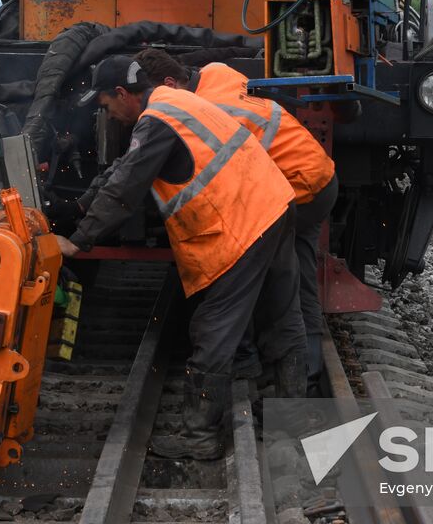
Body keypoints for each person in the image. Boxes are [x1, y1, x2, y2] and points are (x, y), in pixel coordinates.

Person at [57, 55, 307, 460]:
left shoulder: (157, 119)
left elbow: (126, 185)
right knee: (280, 317)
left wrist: (78, 241)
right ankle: (292, 422)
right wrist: (82, 204)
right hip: (274, 204)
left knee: (214, 326)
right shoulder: (175, 103)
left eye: (106, 106)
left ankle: (199, 437)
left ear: (122, 94)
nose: (111, 116)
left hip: (242, 221)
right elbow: (126, 166)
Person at [132, 48, 337, 393]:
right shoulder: (216, 73)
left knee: (258, 275)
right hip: (317, 174)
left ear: (169, 85)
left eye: (152, 97)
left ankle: (271, 367)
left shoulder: (202, 113)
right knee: (290, 275)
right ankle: (298, 372)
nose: (152, 107)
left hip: (296, 187)